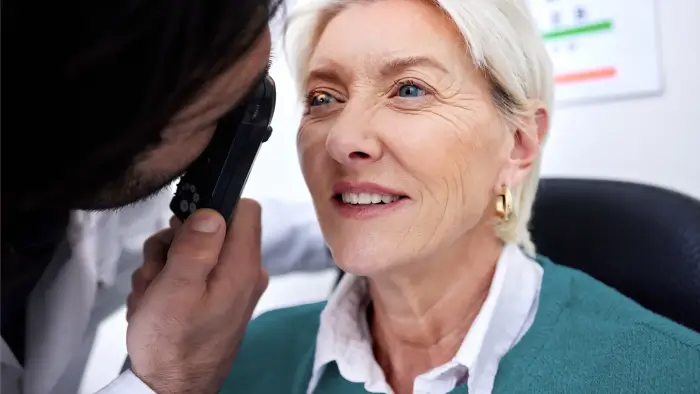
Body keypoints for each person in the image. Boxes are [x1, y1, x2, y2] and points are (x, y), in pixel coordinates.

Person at [214, 0, 700, 393]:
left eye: (408, 90)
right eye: (323, 98)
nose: (342, 140)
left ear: (517, 145)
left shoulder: (668, 374)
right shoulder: (236, 363)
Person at [1, 0, 332, 393]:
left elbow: (140, 235)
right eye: (214, 118)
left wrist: (339, 228)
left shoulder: (65, 191)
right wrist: (167, 380)